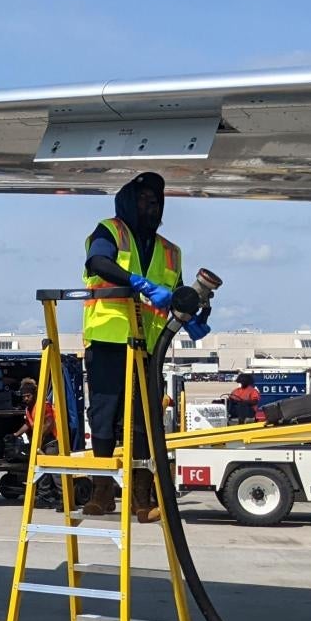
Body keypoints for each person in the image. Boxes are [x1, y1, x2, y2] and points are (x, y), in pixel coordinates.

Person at [79, 172, 210, 522]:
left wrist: (192, 315)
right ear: (127, 201)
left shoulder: (171, 252)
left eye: (156, 202)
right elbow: (98, 263)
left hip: (148, 347)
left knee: (143, 423)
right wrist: (139, 282)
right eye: (144, 200)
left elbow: (176, 295)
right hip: (109, 339)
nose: (151, 207)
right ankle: (102, 490)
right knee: (104, 419)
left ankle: (141, 494)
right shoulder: (110, 231)